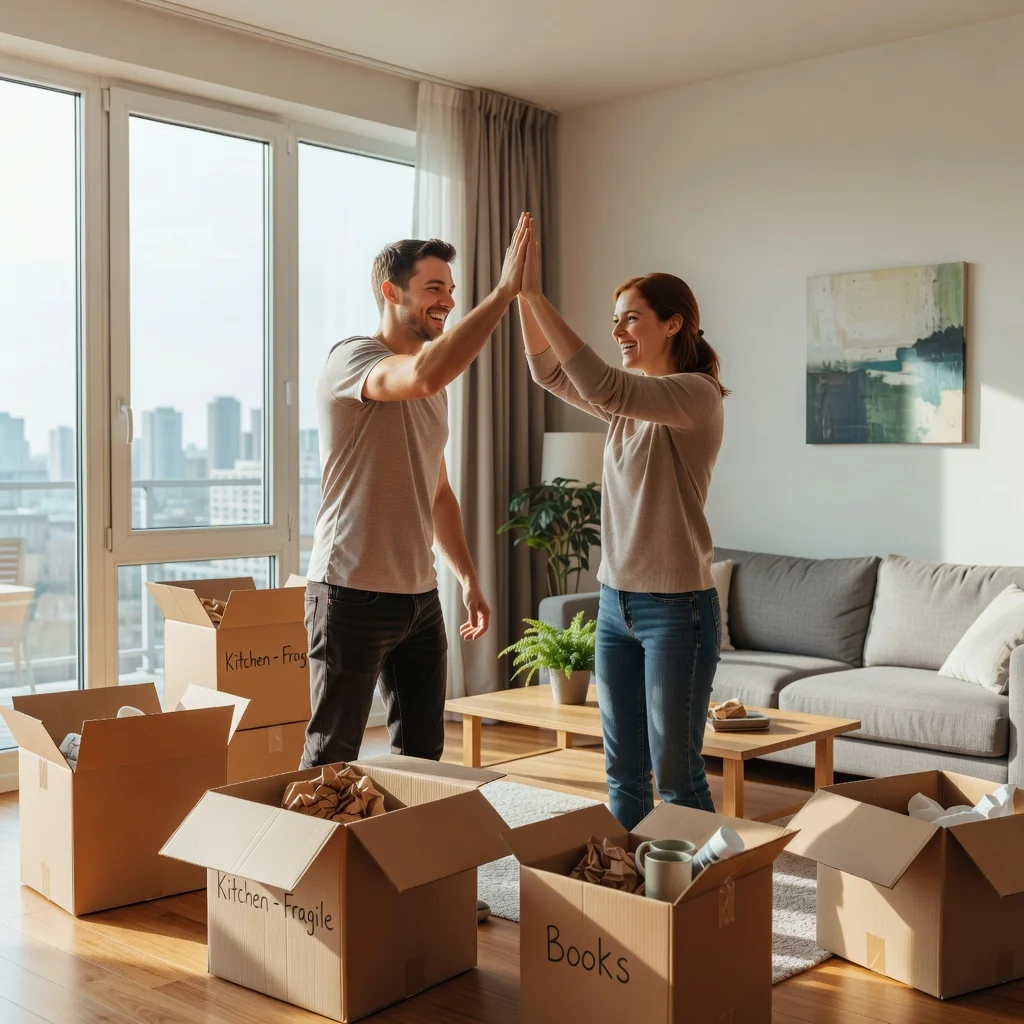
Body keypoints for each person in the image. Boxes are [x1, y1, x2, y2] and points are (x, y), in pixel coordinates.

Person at [301, 213, 531, 775]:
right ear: (390, 291)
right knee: (333, 753)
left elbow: (440, 492)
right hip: (350, 591)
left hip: (419, 597)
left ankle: (401, 858)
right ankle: (306, 859)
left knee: (424, 755)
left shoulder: (433, 388)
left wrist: (469, 580)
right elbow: (423, 375)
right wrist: (504, 294)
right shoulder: (352, 360)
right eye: (434, 288)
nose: (447, 301)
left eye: (451, 291)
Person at [517, 215, 727, 831]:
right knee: (622, 770)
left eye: (630, 317)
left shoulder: (695, 395)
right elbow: (548, 373)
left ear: (672, 323)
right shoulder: (628, 406)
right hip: (616, 604)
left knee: (677, 773)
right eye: (615, 318)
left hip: (677, 611)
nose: (618, 329)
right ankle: (630, 892)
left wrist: (535, 294)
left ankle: (705, 901)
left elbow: (602, 385)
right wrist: (516, 297)